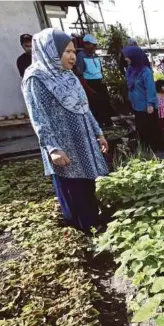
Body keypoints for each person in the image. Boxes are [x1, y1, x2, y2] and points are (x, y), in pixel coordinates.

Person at [21, 28, 109, 232]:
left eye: (73, 51)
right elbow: (38, 117)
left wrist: (99, 133)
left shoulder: (69, 76)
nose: (72, 56)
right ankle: (82, 229)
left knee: (87, 183)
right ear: (50, 51)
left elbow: (84, 108)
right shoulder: (36, 78)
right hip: (64, 146)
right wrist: (53, 148)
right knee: (72, 188)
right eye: (67, 51)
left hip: (83, 140)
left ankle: (93, 221)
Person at [122, 45, 159, 150]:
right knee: (140, 128)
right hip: (136, 105)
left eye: (128, 56)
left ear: (135, 57)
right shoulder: (130, 69)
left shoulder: (145, 71)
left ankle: (152, 150)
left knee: (148, 129)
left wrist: (150, 104)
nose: (126, 59)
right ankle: (144, 148)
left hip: (146, 107)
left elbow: (150, 88)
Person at [76, 34, 113, 127]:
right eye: (93, 45)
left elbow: (100, 69)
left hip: (100, 82)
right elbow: (80, 73)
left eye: (95, 45)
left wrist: (103, 78)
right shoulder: (81, 56)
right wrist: (88, 88)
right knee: (95, 105)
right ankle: (99, 125)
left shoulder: (94, 55)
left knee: (105, 102)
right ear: (86, 44)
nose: (95, 47)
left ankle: (108, 123)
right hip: (90, 83)